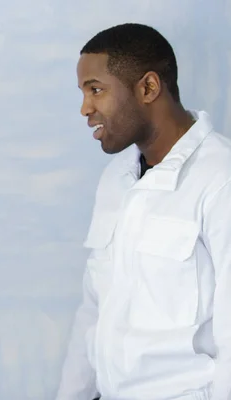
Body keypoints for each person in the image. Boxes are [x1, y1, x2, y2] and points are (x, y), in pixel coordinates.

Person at [56, 23, 231, 399]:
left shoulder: (221, 180)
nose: (85, 108)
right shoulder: (116, 178)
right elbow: (93, 312)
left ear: (148, 88)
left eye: (96, 89)